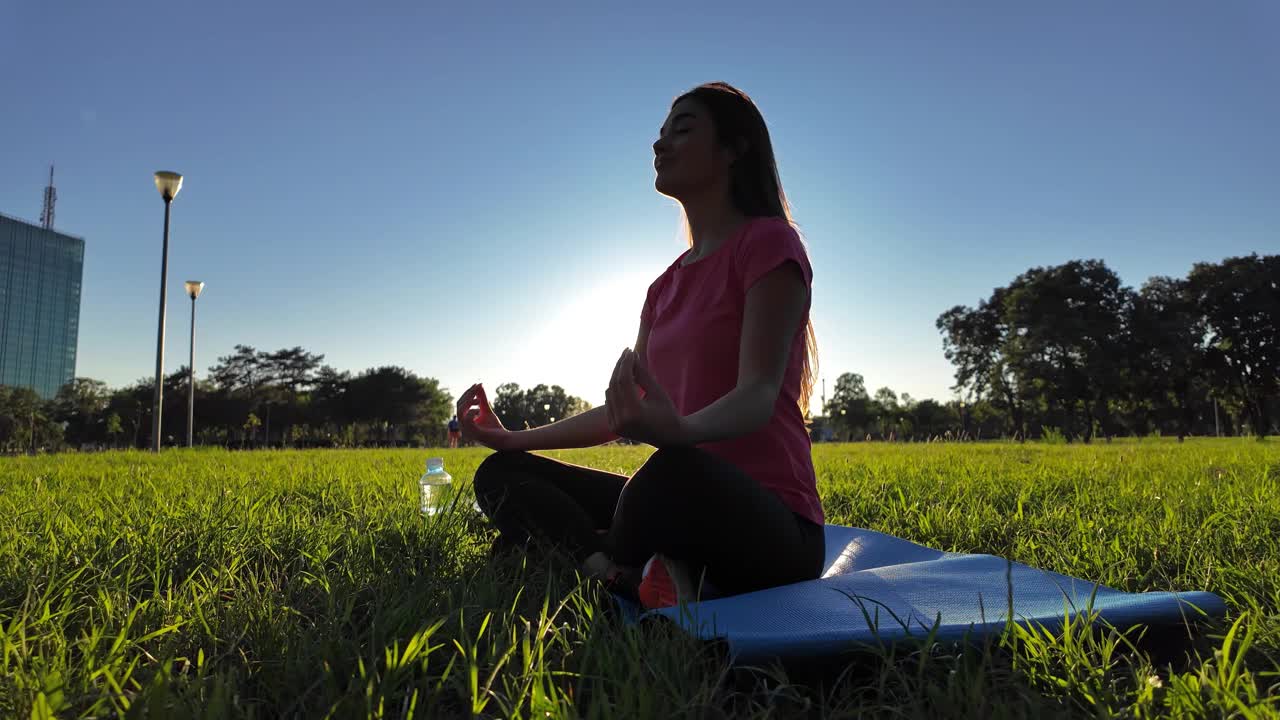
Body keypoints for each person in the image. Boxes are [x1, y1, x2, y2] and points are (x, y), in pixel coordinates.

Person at [458, 82, 823, 609]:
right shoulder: (663, 287)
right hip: (674, 496)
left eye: (683, 129)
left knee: (671, 473)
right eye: (660, 132)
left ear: (734, 149)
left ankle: (571, 549)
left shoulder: (769, 244)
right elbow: (623, 411)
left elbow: (758, 394)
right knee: (502, 475)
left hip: (771, 524)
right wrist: (513, 439)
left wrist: (681, 432)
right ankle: (615, 571)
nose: (660, 144)